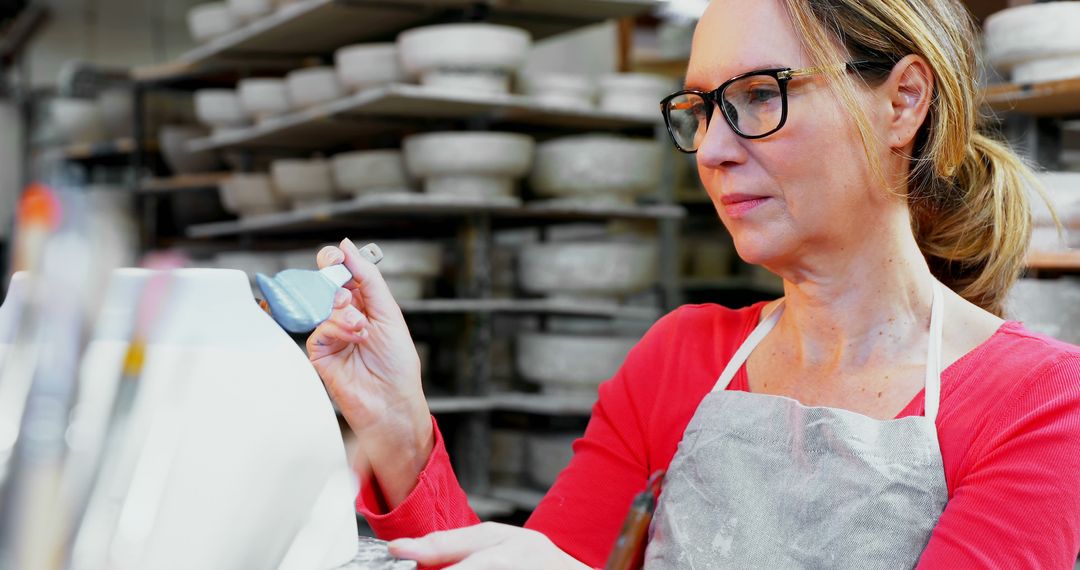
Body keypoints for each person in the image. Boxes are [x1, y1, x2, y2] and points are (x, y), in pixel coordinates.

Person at [306, 0, 1080, 567]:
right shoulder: (680, 357)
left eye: (757, 97)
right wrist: (400, 430)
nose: (710, 149)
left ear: (902, 101)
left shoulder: (1041, 407)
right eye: (700, 109)